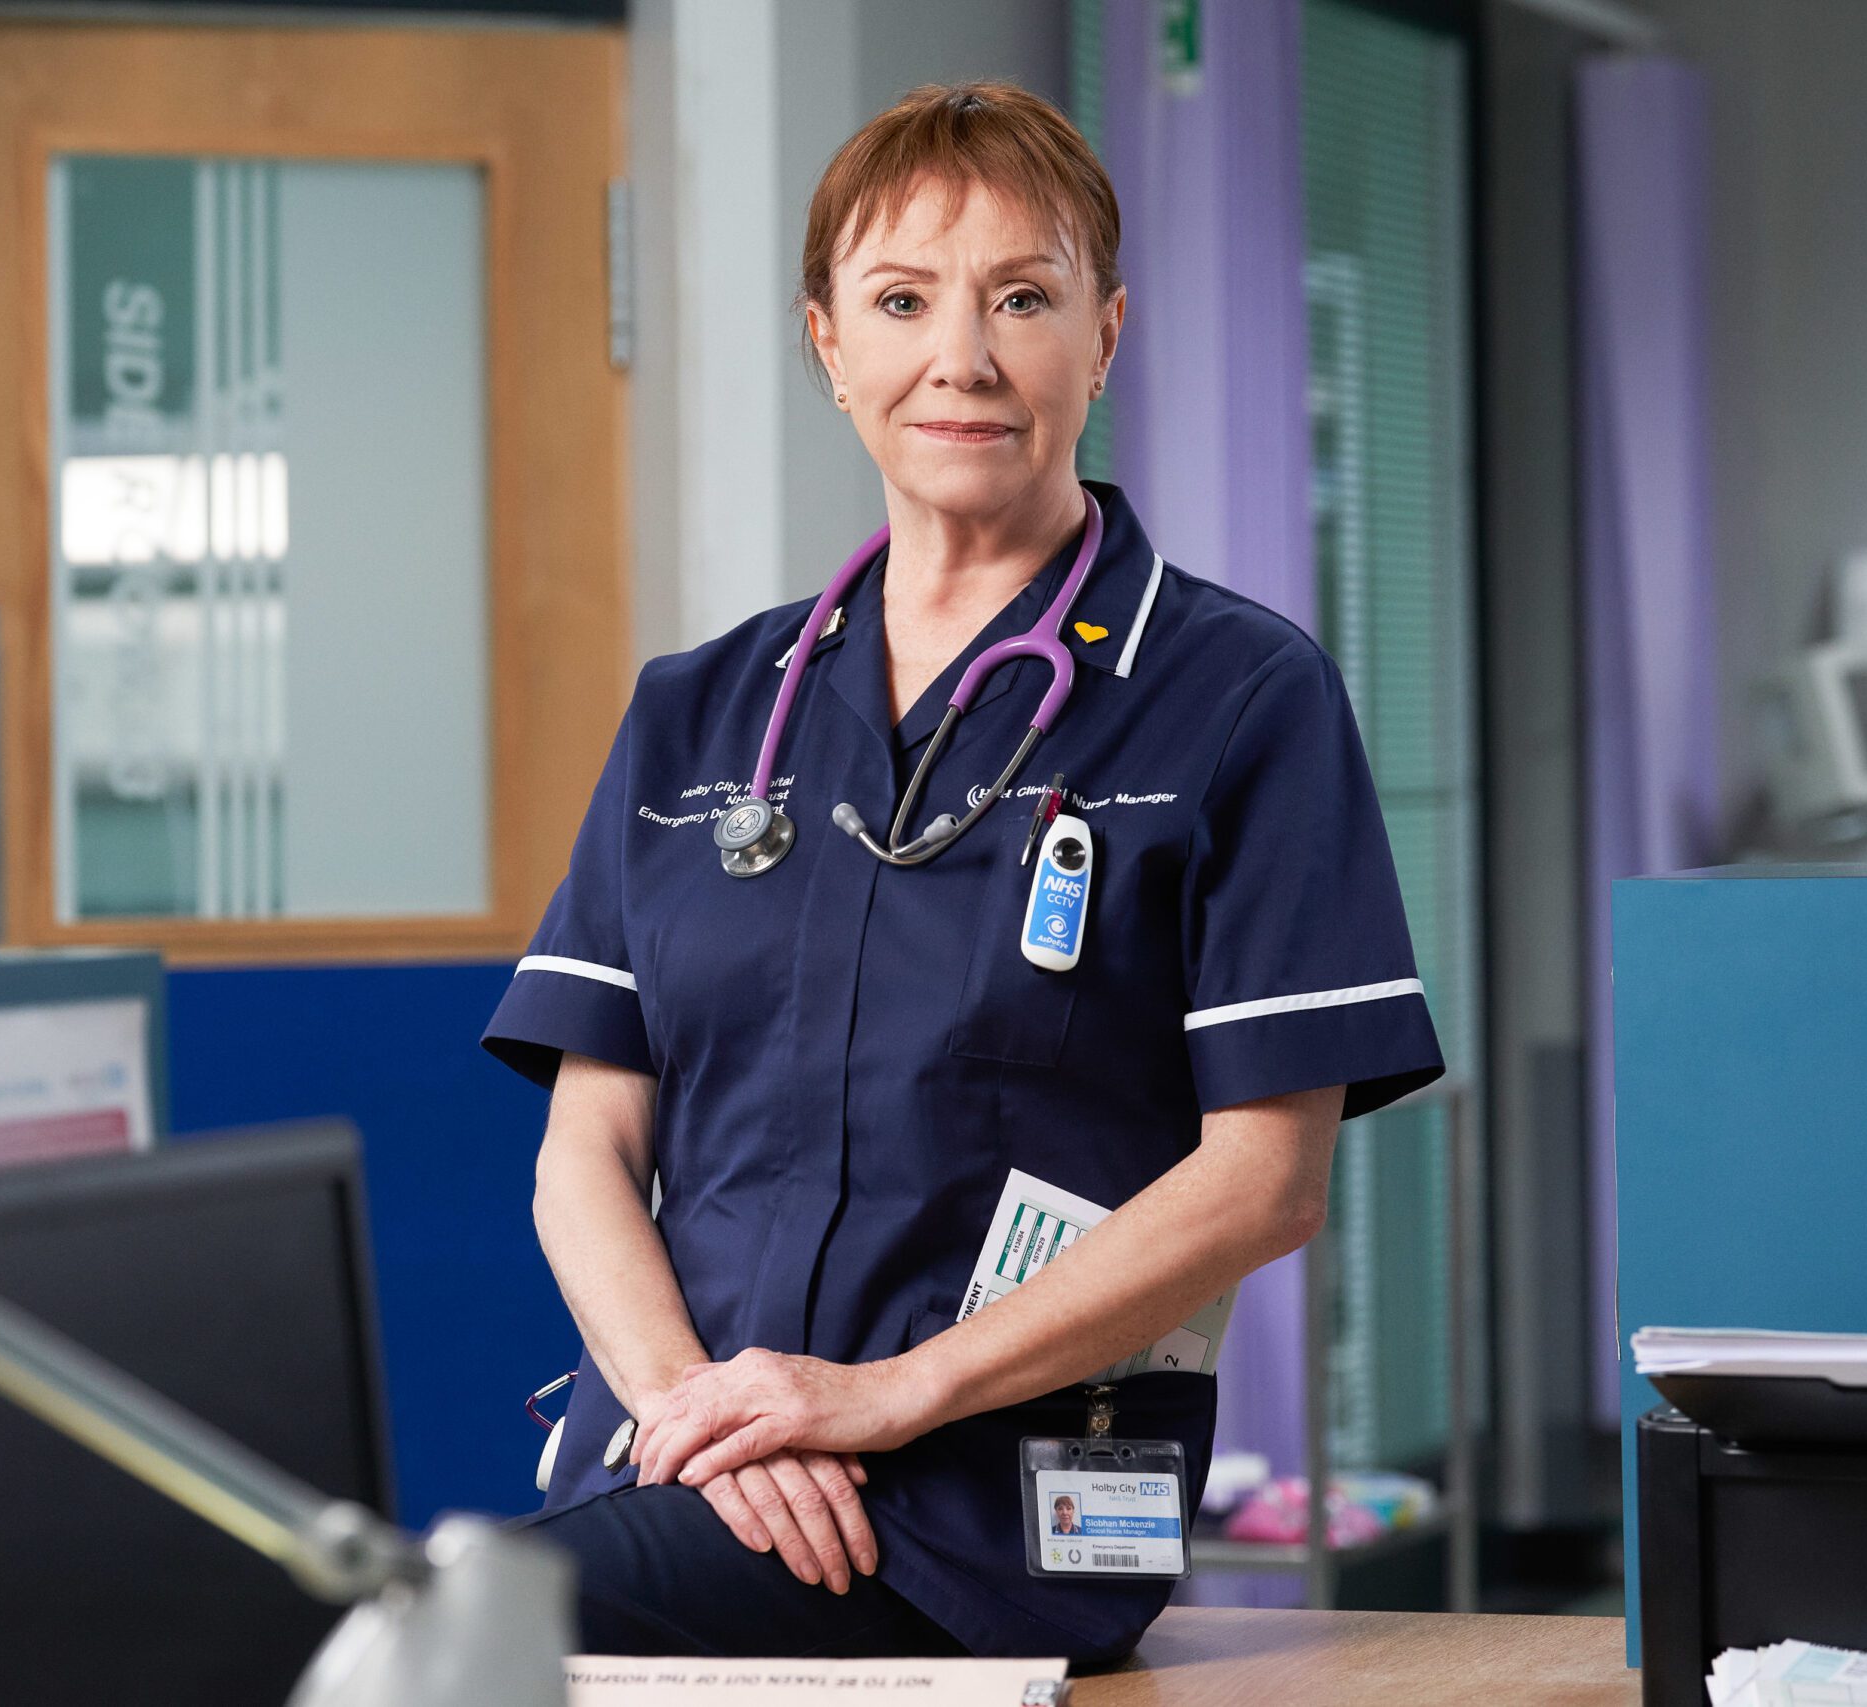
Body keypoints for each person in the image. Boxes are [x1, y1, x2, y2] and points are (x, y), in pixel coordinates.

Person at [483, 80, 1441, 1666]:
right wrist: (714, 1422)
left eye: (1022, 298)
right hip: (685, 1467)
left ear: (1106, 334)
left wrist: (871, 1399)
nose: (964, 358)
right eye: (903, 301)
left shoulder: (1239, 698)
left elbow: (1266, 1179)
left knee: (439, 1637)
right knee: (391, 1617)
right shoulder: (698, 712)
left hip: (998, 1508)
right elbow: (586, 1147)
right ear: (828, 345)